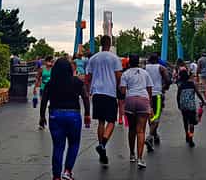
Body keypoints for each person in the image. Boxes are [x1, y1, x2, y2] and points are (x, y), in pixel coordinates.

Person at [40, 58, 90, 180]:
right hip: (73, 115)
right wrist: (87, 114)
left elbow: (44, 100)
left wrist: (42, 116)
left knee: (58, 146)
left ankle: (56, 176)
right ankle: (67, 171)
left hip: (55, 115)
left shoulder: (51, 83)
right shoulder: (77, 82)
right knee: (74, 144)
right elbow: (85, 97)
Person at [86, 35, 122, 165]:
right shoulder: (114, 58)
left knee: (101, 122)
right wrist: (119, 89)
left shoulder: (93, 58)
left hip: (97, 92)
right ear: (110, 44)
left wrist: (88, 91)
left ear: (100, 44)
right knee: (111, 121)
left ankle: (102, 149)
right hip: (110, 92)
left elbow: (88, 77)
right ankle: (103, 144)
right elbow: (118, 76)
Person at [120, 54, 153, 169]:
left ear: (129, 62)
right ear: (138, 62)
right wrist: (150, 103)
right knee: (141, 131)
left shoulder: (125, 74)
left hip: (130, 100)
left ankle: (132, 154)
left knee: (132, 129)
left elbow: (123, 91)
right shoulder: (145, 73)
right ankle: (140, 158)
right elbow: (149, 88)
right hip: (143, 100)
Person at [144, 52, 170, 151]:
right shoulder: (161, 68)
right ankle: (150, 136)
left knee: (150, 116)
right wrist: (163, 88)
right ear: (157, 59)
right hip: (157, 95)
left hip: (147, 95)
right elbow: (168, 80)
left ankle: (155, 135)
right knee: (157, 116)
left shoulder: (145, 68)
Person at [177, 70, 205, 148]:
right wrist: (202, 100)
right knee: (192, 123)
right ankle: (191, 137)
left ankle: (187, 134)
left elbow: (178, 96)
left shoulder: (180, 85)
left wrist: (179, 105)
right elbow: (198, 93)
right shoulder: (192, 84)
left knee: (185, 121)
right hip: (191, 106)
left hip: (183, 106)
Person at [35, 56, 54, 129]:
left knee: (52, 105)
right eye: (49, 61)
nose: (50, 62)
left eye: (51, 61)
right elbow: (37, 78)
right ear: (46, 62)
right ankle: (42, 122)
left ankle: (52, 120)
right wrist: (35, 88)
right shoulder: (42, 69)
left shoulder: (54, 69)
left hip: (52, 89)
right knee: (43, 105)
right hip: (43, 88)